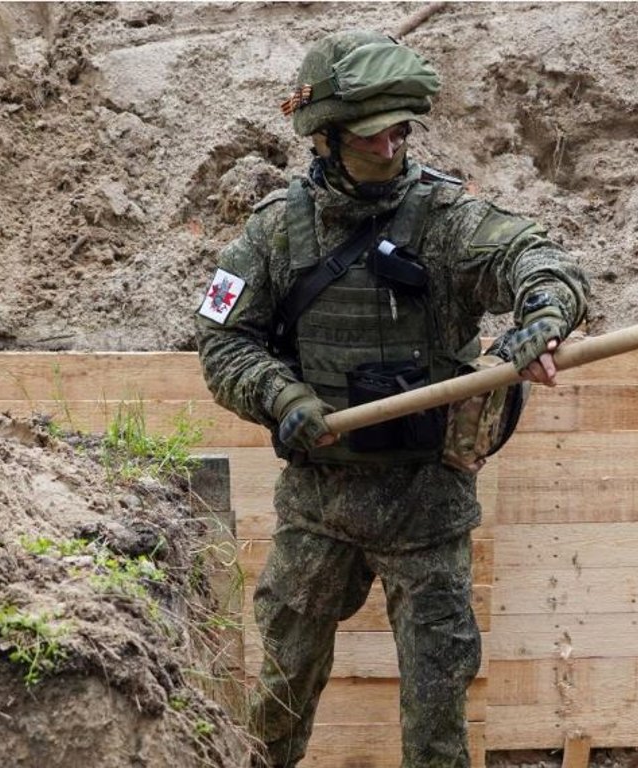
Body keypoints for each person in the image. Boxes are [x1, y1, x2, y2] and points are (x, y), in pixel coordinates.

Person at [193, 30, 590, 768]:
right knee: (279, 691)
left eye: (401, 132)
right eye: (371, 136)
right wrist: (281, 395)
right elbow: (222, 343)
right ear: (326, 137)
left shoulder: (446, 220)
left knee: (438, 713)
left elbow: (536, 257)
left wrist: (543, 313)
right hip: (320, 503)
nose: (389, 149)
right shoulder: (275, 232)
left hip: (427, 505)